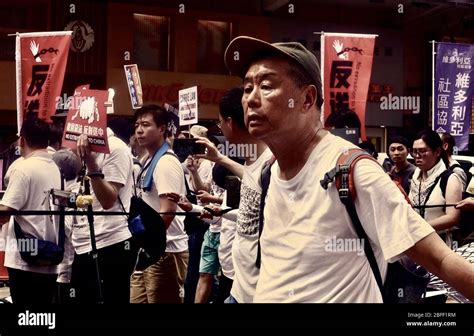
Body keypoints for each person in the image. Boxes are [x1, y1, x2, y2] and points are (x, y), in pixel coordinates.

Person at [223, 36, 474, 303]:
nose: (250, 99)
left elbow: (440, 258)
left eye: (266, 85)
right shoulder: (269, 173)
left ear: (307, 98)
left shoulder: (352, 170)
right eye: (247, 88)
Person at [130, 105, 188, 303]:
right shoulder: (148, 159)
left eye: (146, 125)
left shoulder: (165, 162)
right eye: (137, 125)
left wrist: (150, 245)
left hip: (166, 251)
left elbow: (168, 212)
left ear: (162, 129)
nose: (139, 130)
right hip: (148, 249)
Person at [0, 117, 61, 304]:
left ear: (22, 140)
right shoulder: (54, 167)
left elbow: (5, 212)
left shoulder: (23, 168)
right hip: (49, 252)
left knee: (25, 317)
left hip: (26, 256)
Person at [72, 126, 136, 304]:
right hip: (82, 242)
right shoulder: (77, 146)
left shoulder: (116, 148)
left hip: (110, 242)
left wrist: (92, 164)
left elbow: (108, 200)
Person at [408, 130, 463, 247]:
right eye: (414, 152)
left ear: (437, 152)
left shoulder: (450, 179)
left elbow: (452, 217)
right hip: (414, 242)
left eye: (422, 151)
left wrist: (420, 227)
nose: (417, 156)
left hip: (438, 244)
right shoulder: (414, 176)